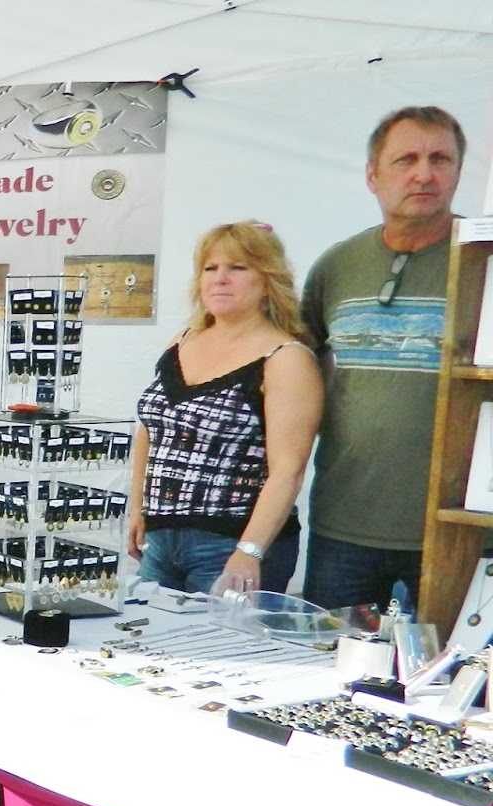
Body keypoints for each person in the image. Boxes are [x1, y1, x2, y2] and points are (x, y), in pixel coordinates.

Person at [301, 106, 467, 610]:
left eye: (440, 159)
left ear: (459, 171)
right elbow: (293, 371)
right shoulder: (336, 266)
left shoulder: (484, 258)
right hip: (344, 527)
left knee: (452, 663)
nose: (424, 174)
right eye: (406, 159)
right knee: (328, 658)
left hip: (460, 529)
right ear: (372, 176)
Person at [127, 222, 324, 595]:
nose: (220, 278)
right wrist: (137, 508)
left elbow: (289, 470)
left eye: (237, 267)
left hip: (231, 543)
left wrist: (249, 551)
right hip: (161, 540)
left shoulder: (285, 358)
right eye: (210, 268)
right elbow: (151, 431)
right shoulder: (182, 341)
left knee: (215, 635)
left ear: (267, 281)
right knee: (148, 630)